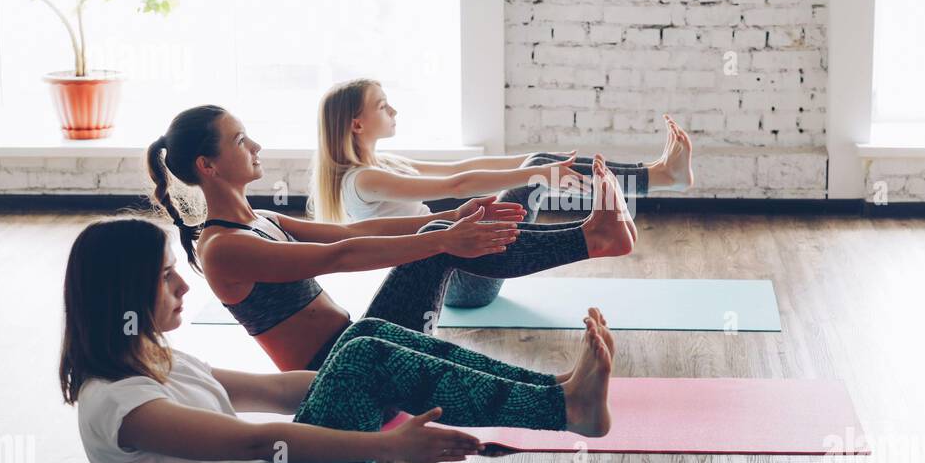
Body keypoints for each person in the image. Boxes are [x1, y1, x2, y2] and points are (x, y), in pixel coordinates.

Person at [60, 217, 615, 463]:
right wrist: (387, 445)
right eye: (164, 276)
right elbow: (257, 442)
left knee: (363, 341)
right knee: (363, 355)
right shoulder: (116, 403)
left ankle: (560, 393)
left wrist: (374, 383)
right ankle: (564, 406)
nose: (184, 284)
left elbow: (278, 391)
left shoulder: (156, 360)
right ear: (122, 293)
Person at [145, 105, 635, 371]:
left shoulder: (262, 217)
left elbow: (354, 230)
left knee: (443, 232)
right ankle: (593, 238)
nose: (255, 145)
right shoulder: (223, 248)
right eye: (239, 140)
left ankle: (594, 237)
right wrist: (444, 239)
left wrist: (455, 218)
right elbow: (340, 255)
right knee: (442, 239)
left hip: (358, 342)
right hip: (340, 373)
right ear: (207, 166)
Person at [310, 78, 693, 306]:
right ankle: (655, 182)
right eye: (382, 105)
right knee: (535, 171)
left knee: (537, 164)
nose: (393, 110)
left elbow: (460, 169)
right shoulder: (362, 180)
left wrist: (533, 161)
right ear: (357, 125)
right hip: (457, 283)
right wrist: (537, 171)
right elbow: (455, 186)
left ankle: (659, 176)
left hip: (462, 268)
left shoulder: (383, 165)